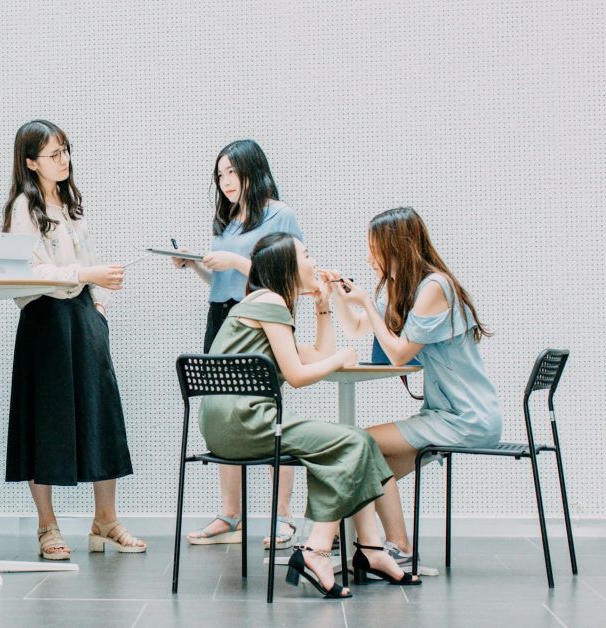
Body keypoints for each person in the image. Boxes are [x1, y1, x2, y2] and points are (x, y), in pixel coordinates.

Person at [199, 232, 421, 598]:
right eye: (306, 254)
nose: (314, 262)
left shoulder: (259, 303)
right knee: (354, 441)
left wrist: (323, 307)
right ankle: (316, 551)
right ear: (287, 266)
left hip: (227, 425)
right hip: (247, 422)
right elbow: (299, 376)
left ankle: (371, 549)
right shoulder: (270, 301)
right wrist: (343, 357)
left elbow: (318, 355)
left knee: (358, 443)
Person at [2, 119, 146, 560]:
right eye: (53, 154)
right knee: (45, 419)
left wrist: (98, 306)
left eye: (66, 150)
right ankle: (47, 525)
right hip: (45, 320)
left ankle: (106, 521)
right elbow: (28, 272)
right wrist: (86, 275)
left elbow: (91, 261)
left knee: (101, 413)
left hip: (83, 315)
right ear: (31, 162)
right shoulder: (23, 208)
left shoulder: (70, 202)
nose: (63, 160)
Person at [332, 206, 501, 570]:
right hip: (443, 414)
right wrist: (338, 298)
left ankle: (383, 544)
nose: (369, 257)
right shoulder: (405, 289)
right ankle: (380, 545)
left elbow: (399, 354)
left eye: (374, 248)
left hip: (467, 418)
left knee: (362, 442)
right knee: (370, 462)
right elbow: (357, 328)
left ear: (396, 246)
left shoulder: (435, 287)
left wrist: (366, 302)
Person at [175, 140, 303, 550]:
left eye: (232, 172)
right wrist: (195, 264)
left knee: (268, 409)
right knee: (223, 409)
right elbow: (222, 283)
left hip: (264, 315)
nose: (225, 181)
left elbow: (287, 276)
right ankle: (231, 514)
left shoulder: (280, 214)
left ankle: (283, 516)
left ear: (253, 170)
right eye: (220, 174)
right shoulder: (226, 221)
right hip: (223, 317)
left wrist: (233, 261)